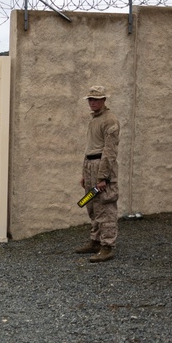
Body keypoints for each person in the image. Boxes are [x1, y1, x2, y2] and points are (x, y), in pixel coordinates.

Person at [75, 85, 121, 262]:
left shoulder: (110, 121)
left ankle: (107, 246)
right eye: (90, 100)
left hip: (102, 167)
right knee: (91, 205)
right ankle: (95, 241)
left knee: (105, 207)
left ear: (104, 100)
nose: (92, 103)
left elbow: (109, 152)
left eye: (96, 99)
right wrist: (85, 175)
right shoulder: (94, 119)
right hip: (90, 165)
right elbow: (90, 148)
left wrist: (103, 177)